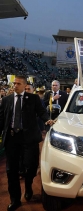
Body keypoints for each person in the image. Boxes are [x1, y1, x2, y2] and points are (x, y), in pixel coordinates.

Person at [0, 75, 53, 211]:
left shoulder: (33, 99)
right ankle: (15, 199)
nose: (15, 85)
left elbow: (42, 112)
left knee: (30, 166)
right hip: (12, 139)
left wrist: (47, 120)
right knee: (11, 171)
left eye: (18, 83)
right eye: (14, 83)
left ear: (24, 85)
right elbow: (1, 119)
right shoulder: (6, 100)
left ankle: (28, 186)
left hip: (29, 139)